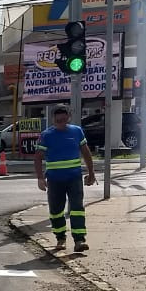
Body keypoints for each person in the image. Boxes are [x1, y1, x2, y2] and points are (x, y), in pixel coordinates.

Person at [35, 104, 97, 252]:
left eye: (63, 120)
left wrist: (91, 172)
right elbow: (38, 158)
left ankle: (79, 240)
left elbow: (86, 152)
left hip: (74, 178)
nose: (61, 123)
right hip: (55, 180)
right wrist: (40, 178)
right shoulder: (46, 135)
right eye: (58, 121)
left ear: (68, 118)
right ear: (53, 120)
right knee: (56, 210)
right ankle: (60, 238)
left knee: (77, 208)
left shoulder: (76, 131)